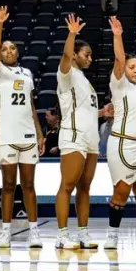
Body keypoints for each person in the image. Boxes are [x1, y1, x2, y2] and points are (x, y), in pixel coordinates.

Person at [0, 6, 43, 248]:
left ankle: (34, 232)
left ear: (18, 52)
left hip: (28, 135)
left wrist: (40, 133)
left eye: (12, 48)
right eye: (4, 49)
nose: (8, 51)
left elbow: (31, 105)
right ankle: (5, 231)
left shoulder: (27, 73)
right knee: (9, 185)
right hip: (6, 136)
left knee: (29, 185)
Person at [103, 16, 136, 251]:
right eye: (132, 67)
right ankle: (112, 235)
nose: (135, 70)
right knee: (121, 193)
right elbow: (119, 58)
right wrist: (118, 36)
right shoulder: (119, 85)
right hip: (124, 144)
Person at [52, 14, 99, 250]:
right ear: (75, 55)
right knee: (67, 185)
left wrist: (102, 112)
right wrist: (72, 34)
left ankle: (83, 233)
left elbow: (84, 109)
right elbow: (65, 56)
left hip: (91, 138)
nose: (90, 58)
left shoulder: (84, 81)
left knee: (85, 188)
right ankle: (62, 235)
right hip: (73, 134)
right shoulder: (67, 73)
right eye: (86, 54)